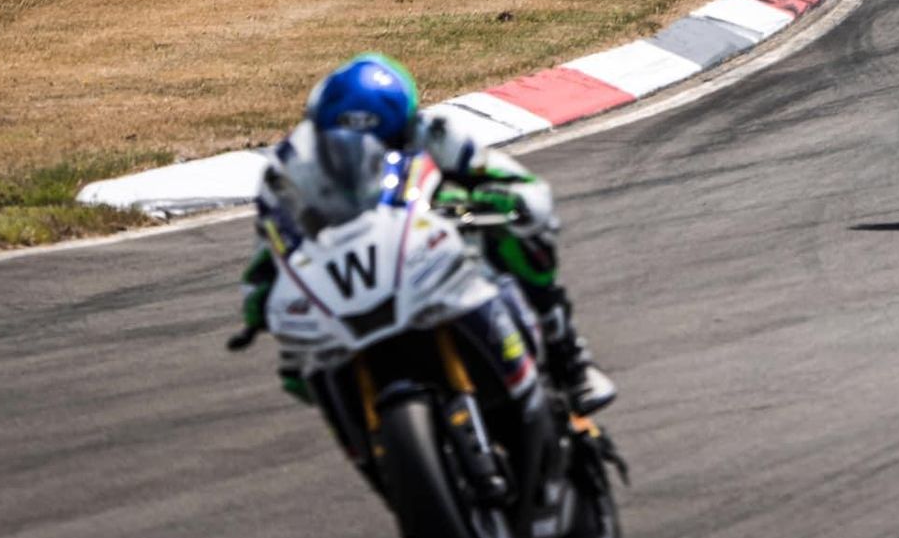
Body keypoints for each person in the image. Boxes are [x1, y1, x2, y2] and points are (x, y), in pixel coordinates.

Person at [240, 54, 617, 414]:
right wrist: (259, 292)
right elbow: (270, 241)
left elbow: (513, 181)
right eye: (340, 140)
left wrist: (505, 200)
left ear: (403, 128)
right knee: (298, 366)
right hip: (351, 274)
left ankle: (569, 356)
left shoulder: (435, 133)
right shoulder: (293, 170)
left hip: (436, 250)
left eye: (381, 140)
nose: (359, 151)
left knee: (520, 239)